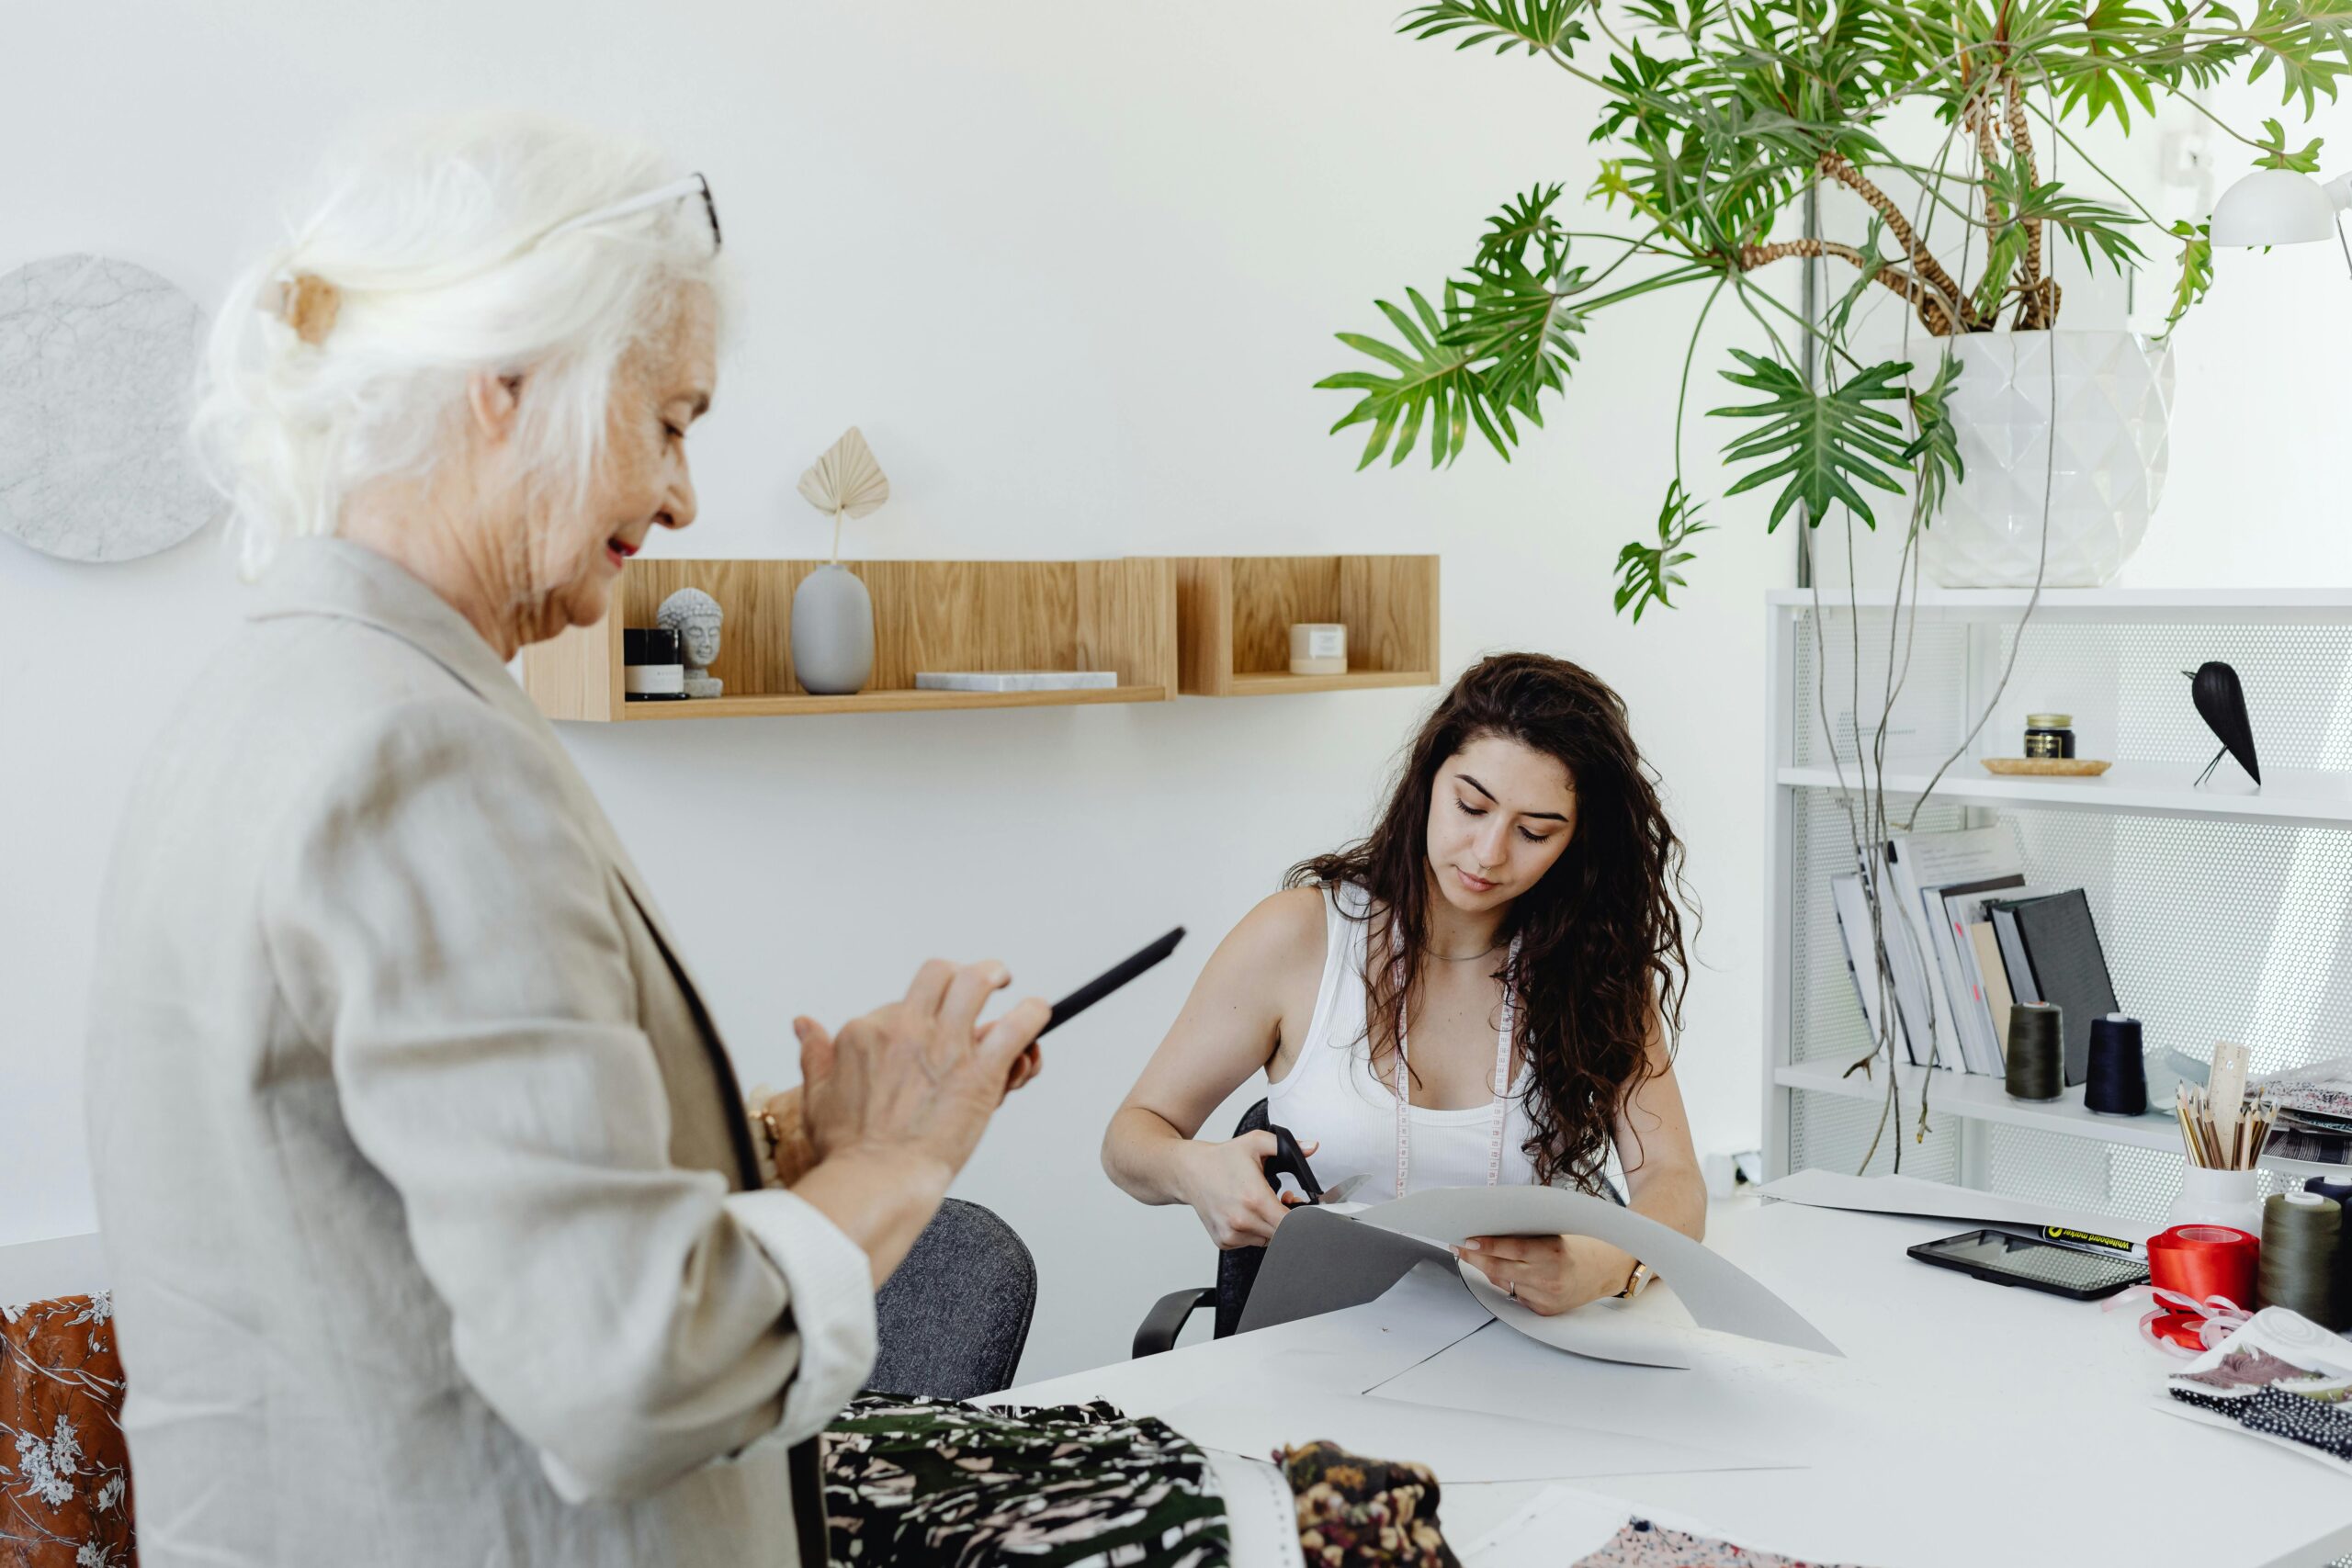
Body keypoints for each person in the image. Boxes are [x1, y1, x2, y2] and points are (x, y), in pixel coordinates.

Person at [83, 113, 1047, 1568]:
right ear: (507, 384)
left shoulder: (273, 691)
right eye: (669, 420)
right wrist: (902, 1160)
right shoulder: (415, 752)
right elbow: (631, 1368)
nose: (681, 495)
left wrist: (790, 1140)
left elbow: (401, 1223)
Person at [1102, 653, 1705, 1314]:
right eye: (1471, 806)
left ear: (1577, 844)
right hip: (1318, 1354)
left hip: (1518, 1356)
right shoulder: (1299, 938)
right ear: (1428, 780)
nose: (1488, 852)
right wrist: (1193, 1170)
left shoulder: (1594, 969)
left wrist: (1610, 1262)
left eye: (1535, 831)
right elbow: (1131, 1137)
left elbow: (1673, 1181)